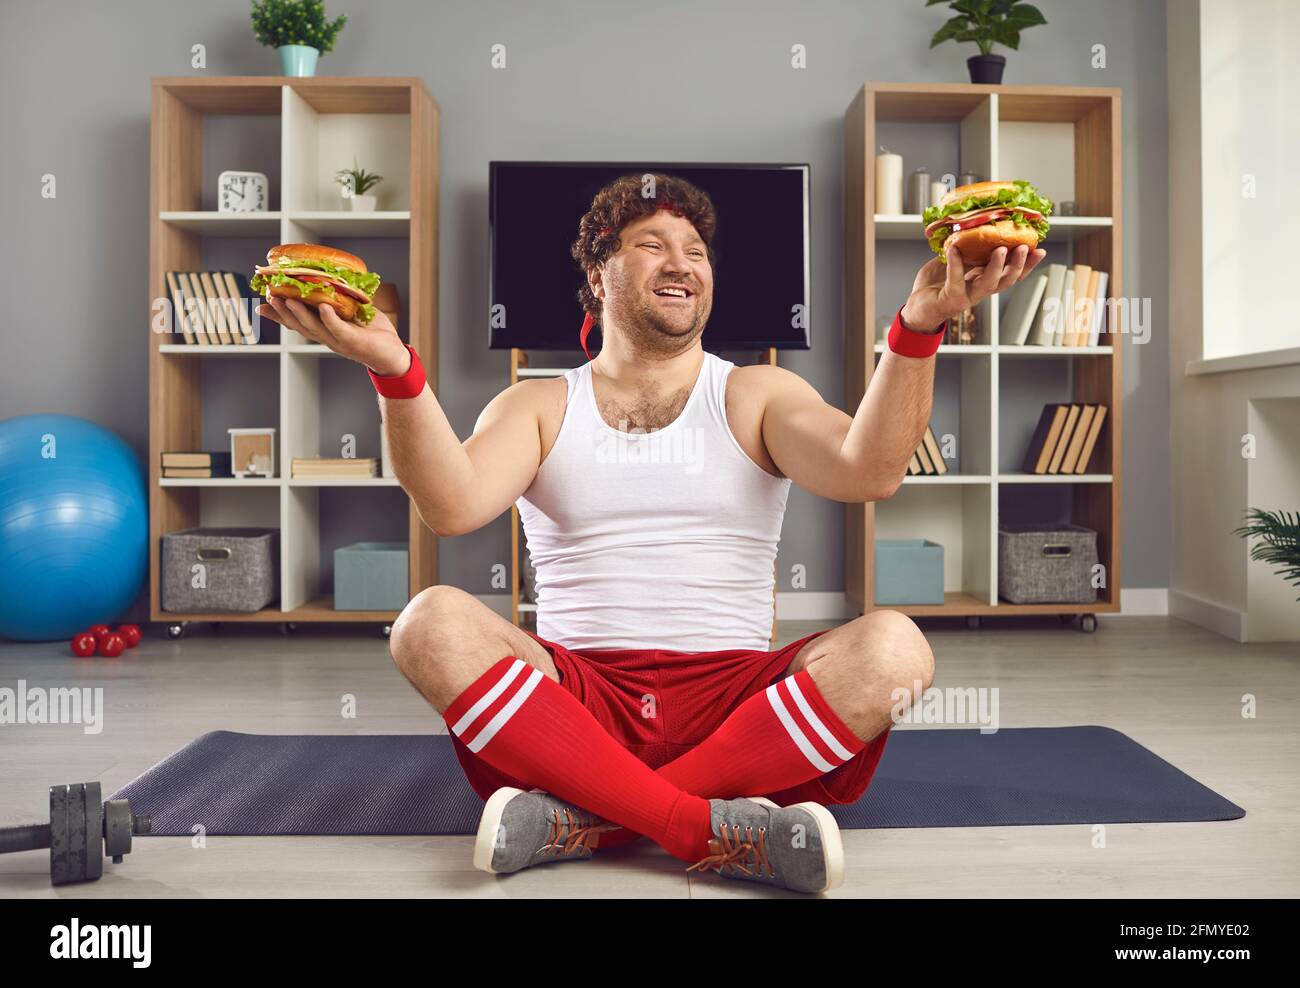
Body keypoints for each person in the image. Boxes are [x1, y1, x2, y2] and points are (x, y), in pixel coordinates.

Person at [257, 173, 1045, 894]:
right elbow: (452, 507)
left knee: (898, 649)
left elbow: (869, 471)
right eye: (652, 245)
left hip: (741, 711)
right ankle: (702, 829)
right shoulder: (536, 404)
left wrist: (918, 326)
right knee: (426, 621)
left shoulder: (759, 393)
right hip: (573, 705)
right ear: (598, 274)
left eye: (696, 251)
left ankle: (590, 821)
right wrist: (395, 369)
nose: (683, 263)